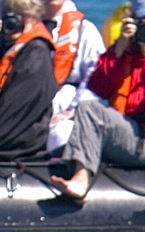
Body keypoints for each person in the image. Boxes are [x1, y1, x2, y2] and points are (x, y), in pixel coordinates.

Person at [50, 0, 145, 202]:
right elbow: (98, 87)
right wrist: (119, 49)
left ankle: (81, 180)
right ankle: (74, 168)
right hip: (123, 132)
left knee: (89, 108)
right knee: (84, 110)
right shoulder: (126, 52)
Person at [43, 0, 105, 152]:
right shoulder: (22, 26)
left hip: (65, 107)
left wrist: (75, 110)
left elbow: (95, 77)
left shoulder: (85, 30)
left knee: (62, 135)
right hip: (28, 105)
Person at [0, 0, 56, 159]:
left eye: (20, 16)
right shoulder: (8, 48)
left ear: (32, 18)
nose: (12, 23)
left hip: (16, 146)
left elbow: (13, 114)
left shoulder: (35, 52)